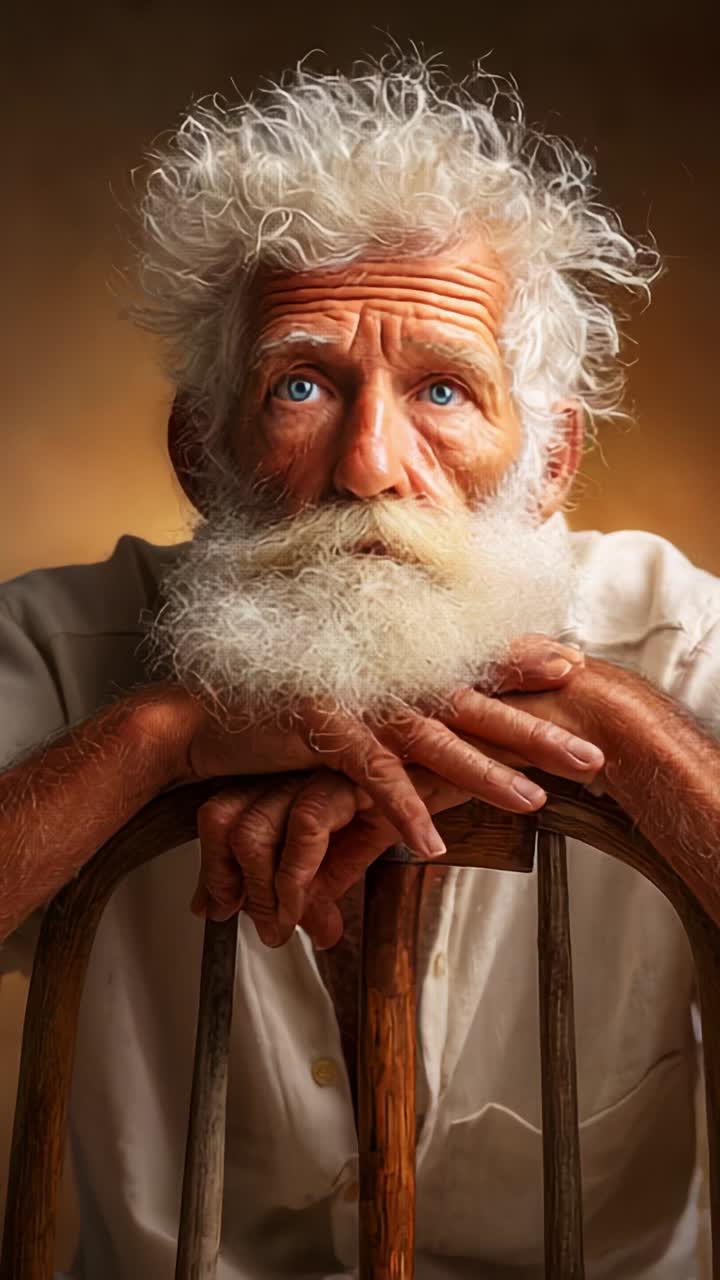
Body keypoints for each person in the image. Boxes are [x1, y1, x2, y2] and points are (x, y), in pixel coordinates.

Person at [1, 55, 719, 1280]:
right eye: (301, 384)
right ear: (199, 447)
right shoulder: (63, 645)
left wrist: (607, 724)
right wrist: (163, 740)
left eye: (443, 388)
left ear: (548, 462)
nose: (370, 464)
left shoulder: (672, 636)